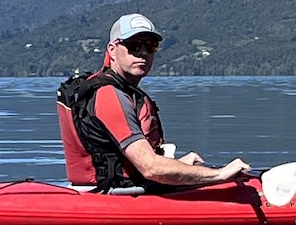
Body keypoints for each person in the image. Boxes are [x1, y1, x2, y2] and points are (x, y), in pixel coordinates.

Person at [56, 13, 252, 191]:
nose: (143, 52)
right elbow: (150, 168)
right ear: (113, 50)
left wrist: (182, 167)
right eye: (134, 45)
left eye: (150, 46)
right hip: (115, 195)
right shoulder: (109, 96)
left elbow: (141, 165)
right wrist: (220, 174)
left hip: (118, 187)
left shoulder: (118, 91)